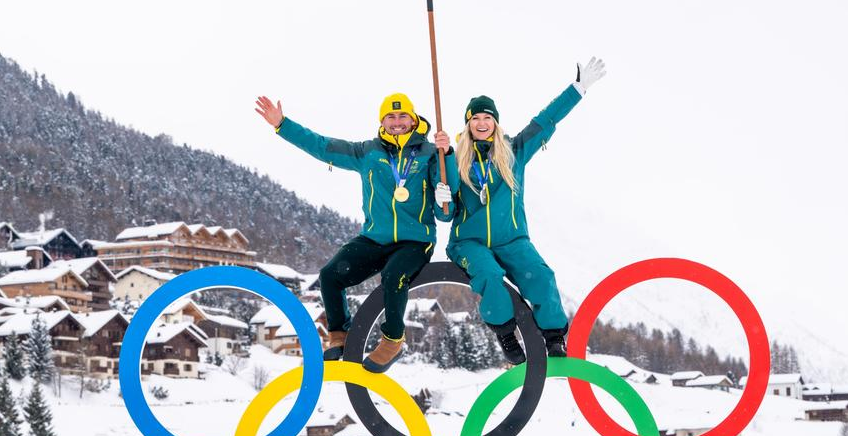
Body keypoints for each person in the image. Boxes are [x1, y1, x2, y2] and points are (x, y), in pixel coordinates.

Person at [255, 92, 456, 372]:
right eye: (390, 116)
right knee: (330, 275)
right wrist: (282, 125)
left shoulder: (431, 153)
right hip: (374, 238)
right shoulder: (367, 152)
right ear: (382, 121)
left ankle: (393, 340)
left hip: (415, 240)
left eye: (403, 116)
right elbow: (322, 146)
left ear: (413, 120)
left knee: (394, 276)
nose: (397, 121)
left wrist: (449, 159)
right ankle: (340, 334)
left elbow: (445, 213)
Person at [433, 57, 606, 364]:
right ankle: (506, 334)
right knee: (490, 275)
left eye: (488, 117)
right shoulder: (454, 160)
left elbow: (545, 120)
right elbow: (445, 215)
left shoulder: (513, 152)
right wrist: (441, 196)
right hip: (469, 242)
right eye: (475, 118)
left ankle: (554, 338)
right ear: (468, 124)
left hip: (512, 239)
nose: (482, 123)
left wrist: (577, 89)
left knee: (540, 276)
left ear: (495, 123)